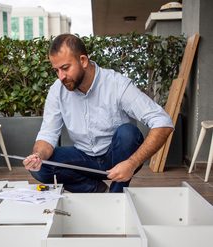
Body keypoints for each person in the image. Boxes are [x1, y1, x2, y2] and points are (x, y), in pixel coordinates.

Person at [23, 33, 174, 193]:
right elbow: (48, 134)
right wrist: (38, 156)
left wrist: (132, 163)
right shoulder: (57, 90)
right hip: (83, 157)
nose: (61, 77)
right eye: (56, 70)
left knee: (128, 133)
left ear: (83, 61)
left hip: (116, 157)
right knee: (41, 167)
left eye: (65, 68)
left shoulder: (117, 84)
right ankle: (97, 191)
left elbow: (163, 122)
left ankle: (117, 193)